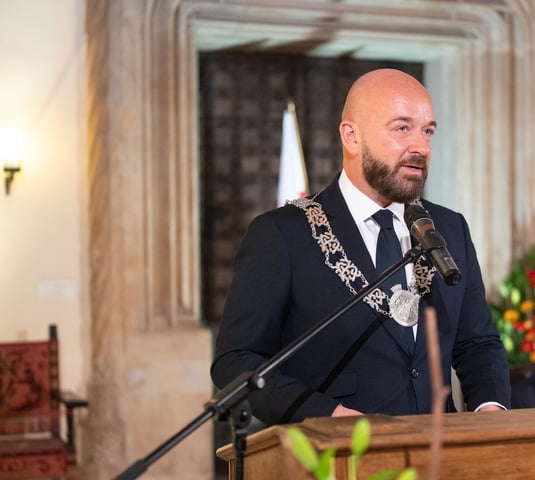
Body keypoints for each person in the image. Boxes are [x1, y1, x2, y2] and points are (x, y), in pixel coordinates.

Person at [210, 68, 510, 426]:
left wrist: (489, 411)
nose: (421, 146)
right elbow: (237, 361)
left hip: (440, 454)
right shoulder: (283, 234)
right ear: (352, 137)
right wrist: (330, 416)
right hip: (335, 458)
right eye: (402, 128)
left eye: (428, 130)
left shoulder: (448, 228)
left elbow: (477, 342)